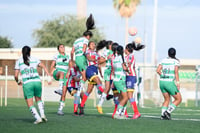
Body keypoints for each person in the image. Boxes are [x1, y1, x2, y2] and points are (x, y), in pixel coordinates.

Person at [14, 46, 51, 124]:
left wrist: (18, 81)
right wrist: (48, 75)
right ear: (30, 52)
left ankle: (38, 118)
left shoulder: (19, 61)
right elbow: (43, 65)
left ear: (22, 52)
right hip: (37, 81)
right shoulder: (34, 59)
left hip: (27, 83)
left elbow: (16, 75)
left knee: (30, 103)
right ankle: (43, 115)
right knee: (39, 99)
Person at [79, 41, 105, 116]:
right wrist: (96, 60)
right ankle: (104, 93)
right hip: (90, 69)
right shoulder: (87, 51)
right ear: (89, 46)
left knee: (88, 91)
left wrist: (101, 73)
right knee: (98, 81)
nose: (93, 45)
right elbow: (89, 58)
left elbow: (99, 64)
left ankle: (81, 106)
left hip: (95, 70)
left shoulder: (97, 53)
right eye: (92, 44)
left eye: (94, 44)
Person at [71, 14, 95, 93]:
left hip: (77, 59)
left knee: (82, 75)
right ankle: (79, 90)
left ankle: (78, 87)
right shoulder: (85, 40)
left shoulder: (76, 41)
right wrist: (88, 56)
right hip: (82, 58)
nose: (89, 39)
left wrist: (72, 60)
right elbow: (84, 49)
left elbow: (72, 52)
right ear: (88, 36)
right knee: (84, 77)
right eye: (89, 37)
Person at [156, 47, 182, 120]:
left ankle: (162, 115)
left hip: (161, 82)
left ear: (168, 53)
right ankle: (167, 112)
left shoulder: (163, 60)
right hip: (169, 82)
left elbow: (158, 70)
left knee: (166, 99)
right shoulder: (175, 62)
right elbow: (176, 72)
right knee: (179, 99)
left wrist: (163, 75)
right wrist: (178, 83)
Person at [124, 41, 145, 119]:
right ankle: (124, 113)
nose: (124, 50)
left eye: (125, 49)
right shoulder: (126, 56)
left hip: (130, 76)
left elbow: (128, 65)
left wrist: (124, 66)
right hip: (127, 76)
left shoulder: (130, 56)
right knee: (125, 96)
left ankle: (136, 112)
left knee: (129, 96)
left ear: (127, 49)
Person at [96, 40, 113, 114]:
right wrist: (107, 58)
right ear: (109, 45)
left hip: (113, 72)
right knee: (107, 89)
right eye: (112, 44)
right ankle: (99, 105)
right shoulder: (107, 52)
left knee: (109, 89)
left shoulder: (113, 52)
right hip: (108, 71)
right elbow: (99, 61)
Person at [111, 45, 129, 119]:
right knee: (125, 98)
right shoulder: (122, 58)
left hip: (116, 79)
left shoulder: (114, 59)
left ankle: (121, 114)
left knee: (121, 98)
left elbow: (113, 70)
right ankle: (117, 113)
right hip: (120, 79)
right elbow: (124, 68)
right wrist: (128, 70)